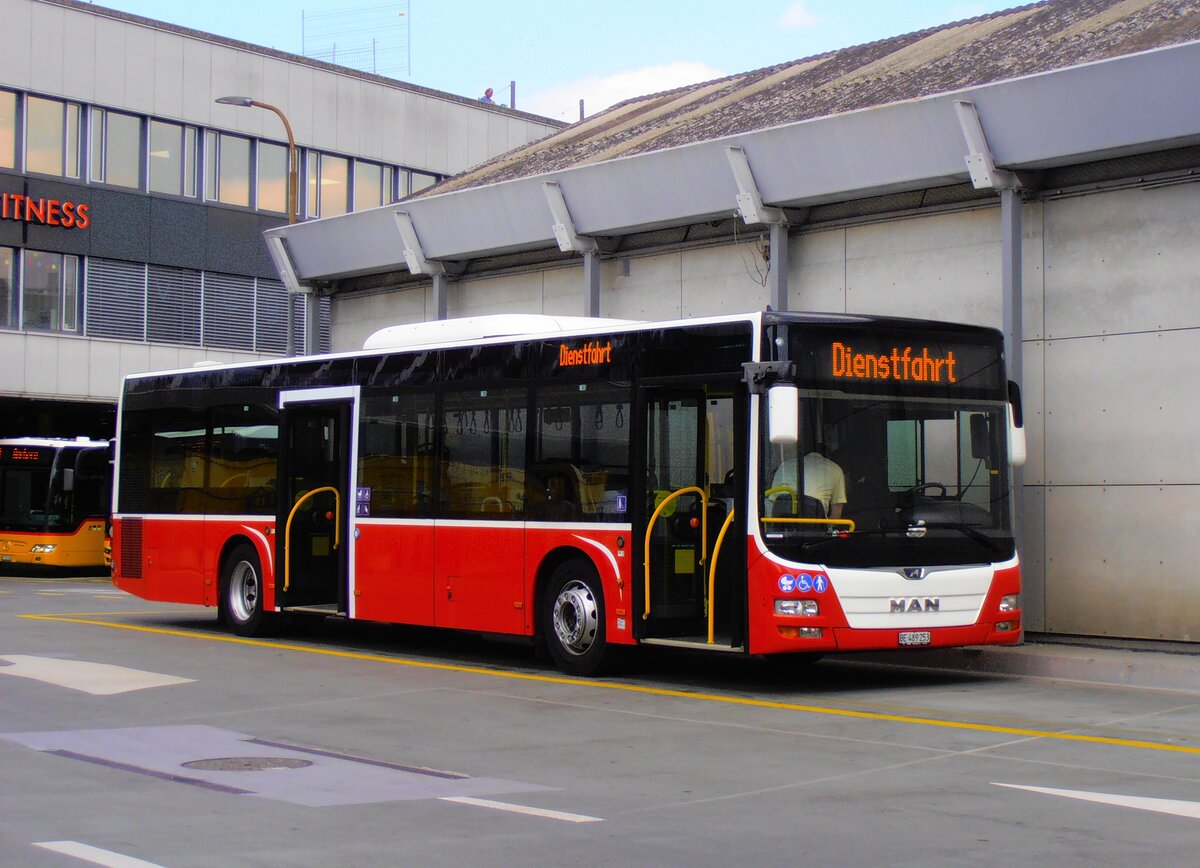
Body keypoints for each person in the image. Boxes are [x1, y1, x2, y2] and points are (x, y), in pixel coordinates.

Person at [771, 443, 847, 518]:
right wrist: (828, 528)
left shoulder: (784, 465)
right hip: (812, 514)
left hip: (780, 510)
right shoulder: (835, 468)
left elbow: (771, 501)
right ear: (829, 458)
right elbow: (836, 512)